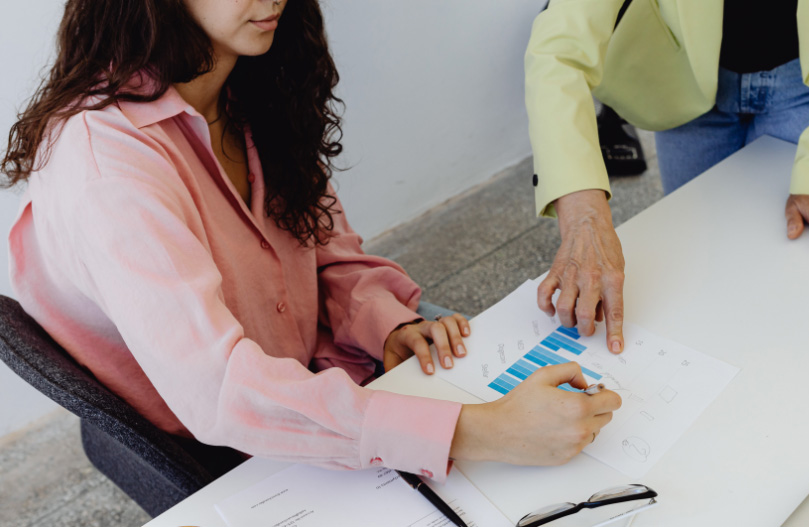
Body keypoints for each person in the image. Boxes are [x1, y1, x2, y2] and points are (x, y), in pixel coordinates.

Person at [3, 0, 621, 480]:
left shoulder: (251, 87)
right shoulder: (107, 166)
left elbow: (326, 248)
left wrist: (384, 322)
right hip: (238, 441)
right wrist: (481, 431)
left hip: (316, 379)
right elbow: (222, 388)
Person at [525, 0, 809, 353]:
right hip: (680, 76)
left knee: (800, 276)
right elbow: (558, 50)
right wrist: (583, 213)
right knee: (697, 267)